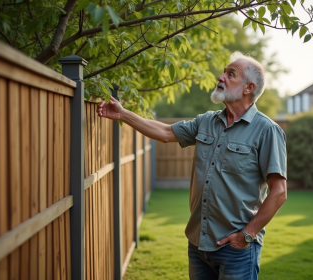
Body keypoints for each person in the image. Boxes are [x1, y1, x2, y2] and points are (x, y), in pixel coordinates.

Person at [97, 51, 287, 280]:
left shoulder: (267, 130)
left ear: (248, 88)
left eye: (230, 73)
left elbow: (279, 192)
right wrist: (123, 114)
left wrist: (247, 235)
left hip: (236, 249)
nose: (221, 76)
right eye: (223, 71)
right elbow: (166, 133)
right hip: (198, 243)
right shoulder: (206, 121)